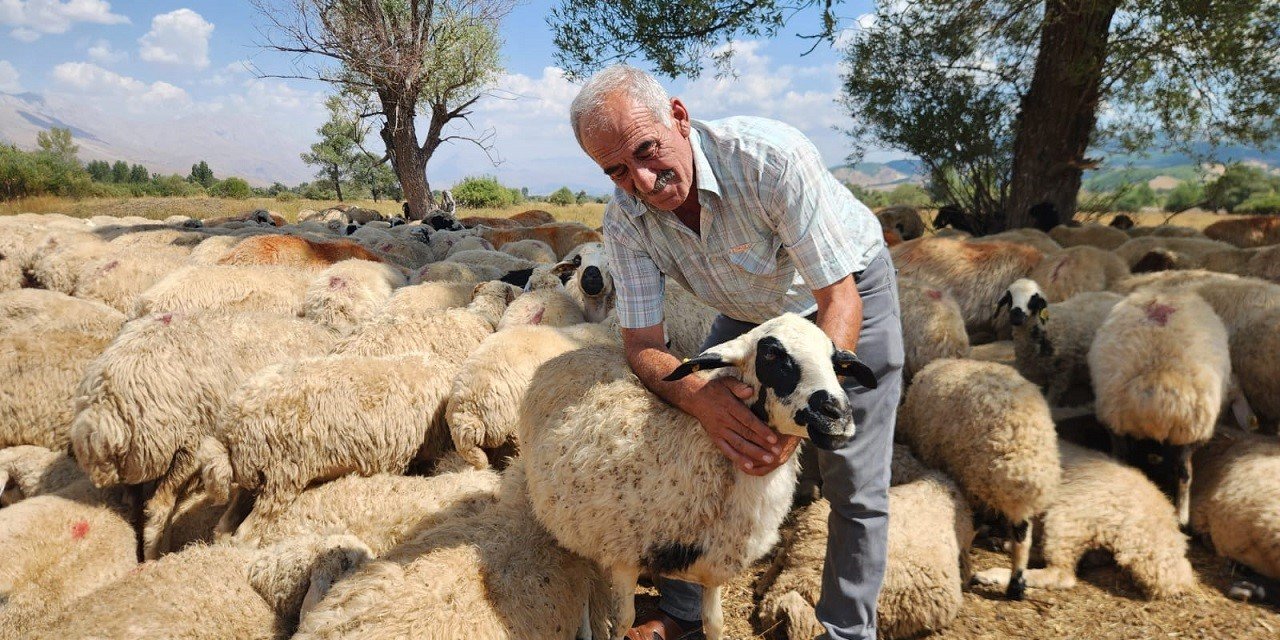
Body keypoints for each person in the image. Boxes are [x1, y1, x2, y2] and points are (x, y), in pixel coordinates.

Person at [569, 65, 904, 640]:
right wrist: (700, 398)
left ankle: (847, 631)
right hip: (749, 317)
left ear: (678, 116)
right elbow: (643, 345)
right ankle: (681, 614)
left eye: (648, 151)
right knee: (698, 447)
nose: (644, 181)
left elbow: (838, 295)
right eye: (618, 171)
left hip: (841, 296)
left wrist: (797, 416)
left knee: (852, 475)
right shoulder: (626, 221)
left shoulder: (768, 159)